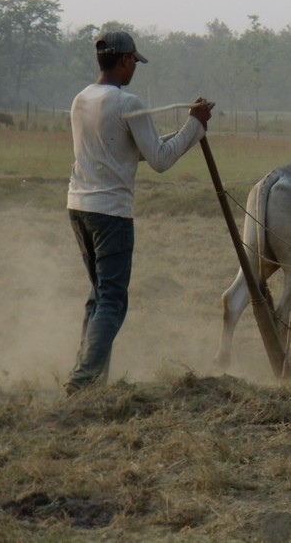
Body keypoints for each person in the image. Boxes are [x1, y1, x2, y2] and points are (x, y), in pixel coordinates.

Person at [64, 31, 214, 395]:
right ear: (126, 61)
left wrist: (186, 129)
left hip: (78, 206)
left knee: (99, 295)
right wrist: (195, 125)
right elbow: (160, 160)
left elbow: (136, 150)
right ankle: (84, 381)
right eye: (135, 62)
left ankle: (88, 374)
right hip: (111, 213)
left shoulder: (81, 99)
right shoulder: (127, 102)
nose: (135, 69)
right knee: (113, 299)